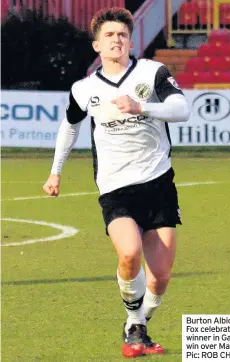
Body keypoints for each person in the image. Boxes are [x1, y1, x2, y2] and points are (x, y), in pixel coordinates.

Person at [43, 7, 190, 358]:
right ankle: (134, 325)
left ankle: (138, 323)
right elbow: (70, 126)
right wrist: (55, 170)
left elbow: (181, 109)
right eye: (109, 35)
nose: (116, 39)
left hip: (158, 184)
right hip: (115, 187)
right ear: (97, 45)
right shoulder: (84, 89)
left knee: (162, 277)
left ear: (130, 40)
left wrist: (142, 107)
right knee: (129, 253)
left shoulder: (153, 73)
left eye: (122, 34)